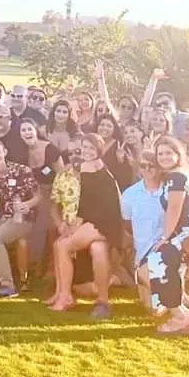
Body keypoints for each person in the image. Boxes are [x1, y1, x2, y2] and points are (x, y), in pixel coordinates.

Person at [46, 133, 122, 317]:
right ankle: (103, 301)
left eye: (91, 148)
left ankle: (66, 297)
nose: (87, 151)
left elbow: (97, 202)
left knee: (62, 245)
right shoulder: (96, 167)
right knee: (98, 249)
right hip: (100, 222)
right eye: (85, 147)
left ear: (99, 151)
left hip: (103, 222)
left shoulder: (92, 167)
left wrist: (80, 219)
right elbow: (89, 199)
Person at [146, 135, 189, 337]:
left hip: (188, 233)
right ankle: (176, 307)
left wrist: (164, 238)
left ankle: (179, 314)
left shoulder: (176, 177)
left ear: (177, 154)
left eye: (168, 153)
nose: (163, 157)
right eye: (160, 153)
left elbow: (174, 208)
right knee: (178, 266)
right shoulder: (179, 174)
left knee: (157, 258)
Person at [0, 137, 41, 297]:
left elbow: (38, 196)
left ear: (5, 152)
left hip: (22, 218)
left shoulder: (22, 170)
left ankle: (8, 285)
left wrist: (28, 204)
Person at [121, 151, 169, 312]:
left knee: (160, 306)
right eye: (143, 165)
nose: (147, 169)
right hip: (143, 255)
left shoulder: (170, 192)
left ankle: (179, 304)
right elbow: (126, 222)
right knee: (151, 309)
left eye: (152, 165)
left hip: (168, 252)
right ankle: (178, 297)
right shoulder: (130, 194)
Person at [20, 117, 63, 269]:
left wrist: (56, 198)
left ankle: (50, 264)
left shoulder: (49, 149)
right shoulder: (22, 153)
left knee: (48, 225)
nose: (27, 133)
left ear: (35, 130)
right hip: (34, 193)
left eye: (29, 129)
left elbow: (62, 174)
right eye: (23, 130)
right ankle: (34, 263)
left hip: (54, 191)